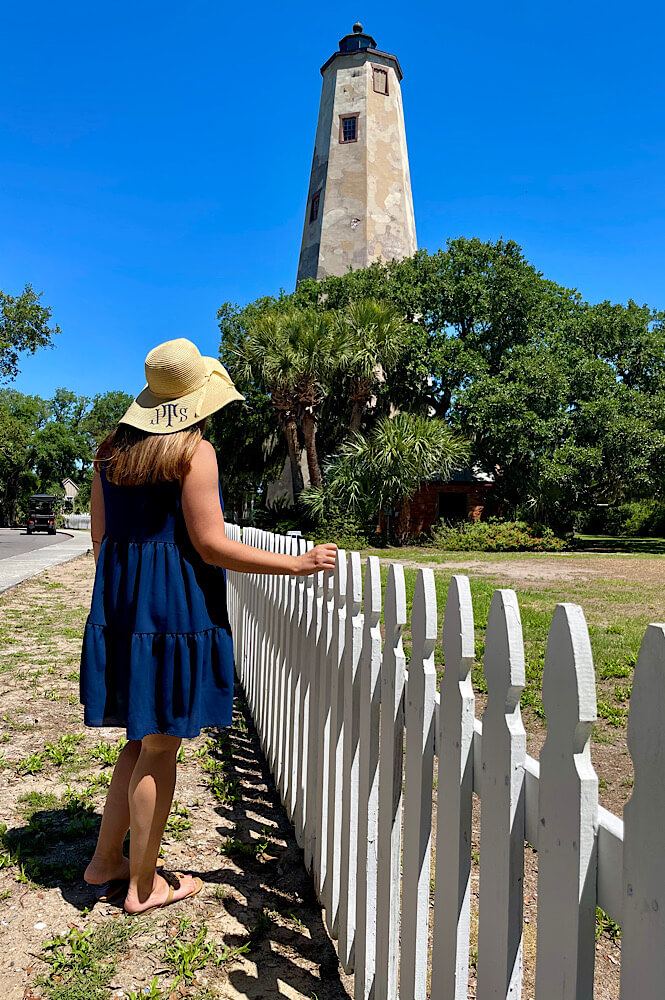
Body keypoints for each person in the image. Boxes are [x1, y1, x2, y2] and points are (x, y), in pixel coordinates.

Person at [79, 337, 337, 916]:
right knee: (161, 749)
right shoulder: (194, 451)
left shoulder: (108, 452)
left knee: (139, 741)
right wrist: (297, 562)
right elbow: (211, 544)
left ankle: (106, 861)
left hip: (124, 610)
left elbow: (100, 541)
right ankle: (144, 888)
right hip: (174, 610)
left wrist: (129, 595)